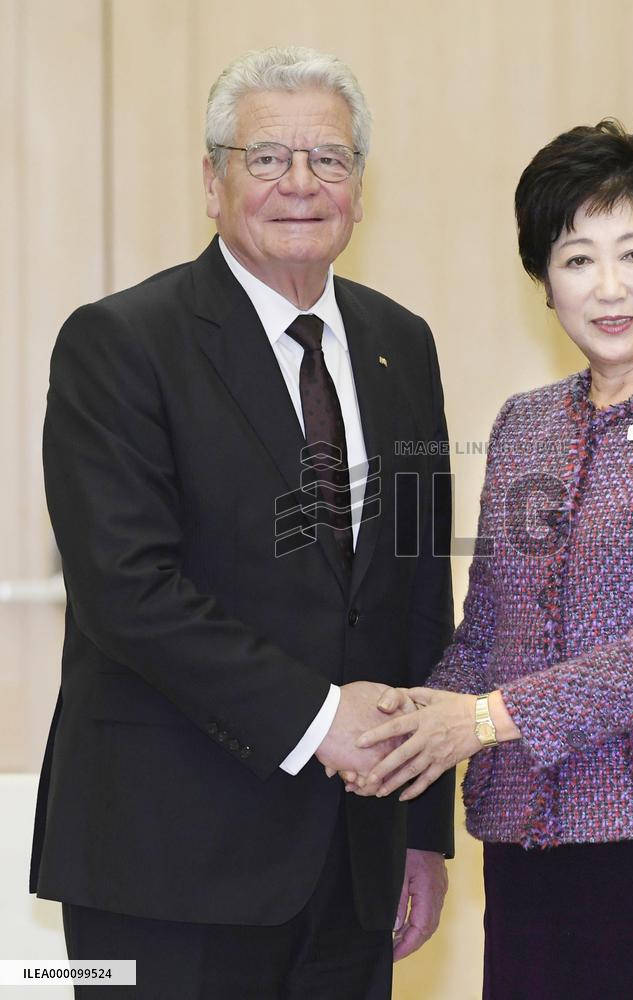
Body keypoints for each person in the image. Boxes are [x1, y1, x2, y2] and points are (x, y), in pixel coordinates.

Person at [30, 46, 454, 999]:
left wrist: (422, 831)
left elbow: (420, 591)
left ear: (360, 186)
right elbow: (127, 592)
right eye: (266, 158)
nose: (300, 183)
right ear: (212, 181)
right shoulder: (120, 343)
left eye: (329, 158)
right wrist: (320, 718)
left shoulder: (402, 344)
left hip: (355, 866)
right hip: (164, 866)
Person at [349, 120, 633, 999]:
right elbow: (488, 635)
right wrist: (403, 725)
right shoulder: (526, 425)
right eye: (577, 259)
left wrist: (480, 721)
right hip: (527, 844)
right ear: (544, 283)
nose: (609, 287)